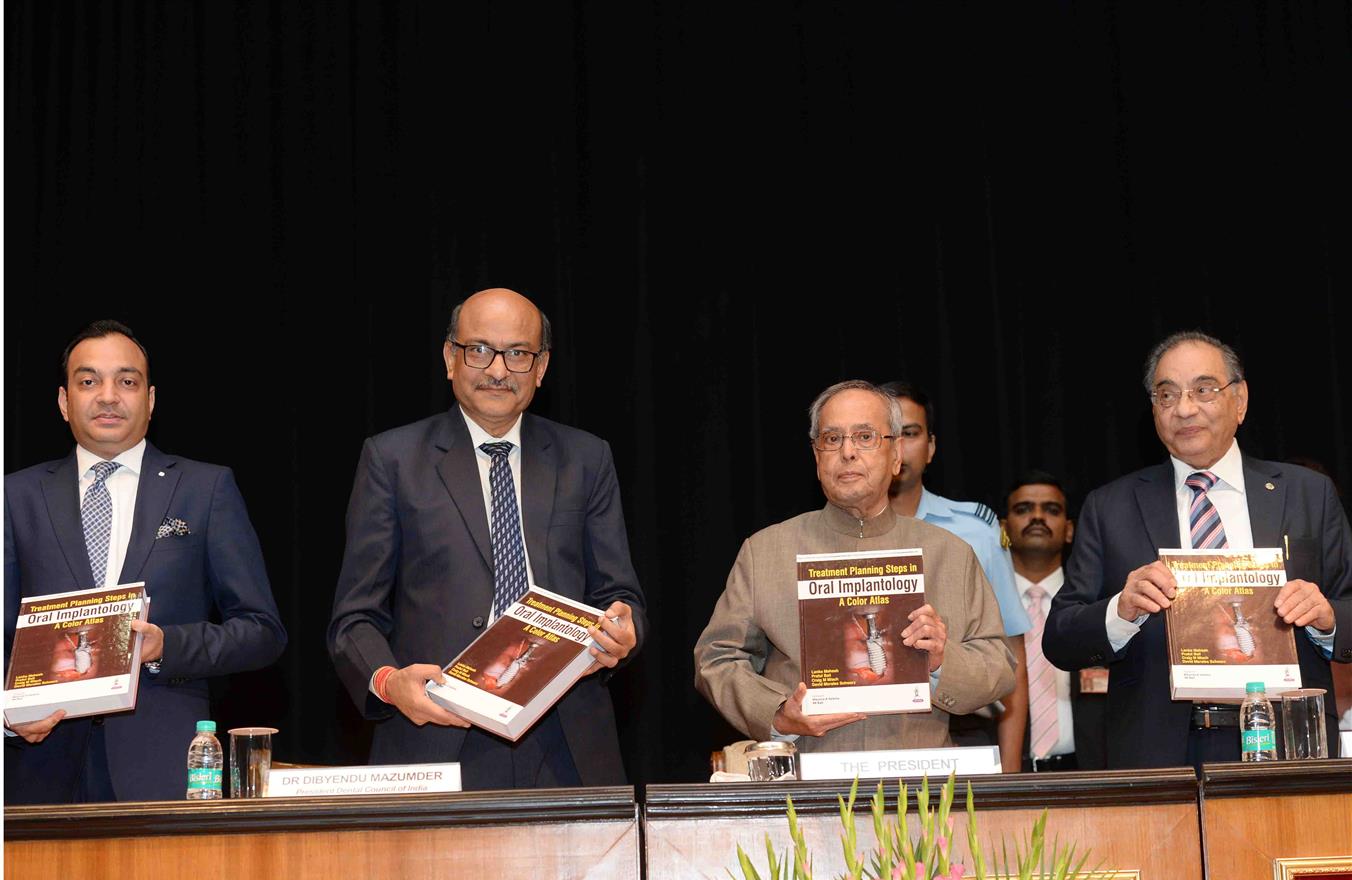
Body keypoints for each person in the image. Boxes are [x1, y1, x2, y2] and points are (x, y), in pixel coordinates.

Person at [328, 288, 645, 790]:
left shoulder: (586, 459)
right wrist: (390, 682)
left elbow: (620, 596)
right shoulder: (392, 460)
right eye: (479, 349)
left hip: (568, 743)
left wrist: (623, 632)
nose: (498, 369)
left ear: (541, 368)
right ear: (450, 358)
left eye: (518, 354)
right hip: (435, 730)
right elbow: (354, 619)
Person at [4, 320, 287, 803]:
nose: (108, 396)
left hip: (163, 764)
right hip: (38, 766)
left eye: (127, 381)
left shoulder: (205, 489)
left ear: (151, 400)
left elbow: (263, 631)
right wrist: (8, 715)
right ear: (63, 401)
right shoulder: (15, 496)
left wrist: (166, 646)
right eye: (88, 381)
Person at [1043, 331, 1351, 768]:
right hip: (1157, 752)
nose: (1184, 408)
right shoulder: (1110, 506)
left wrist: (1327, 618)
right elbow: (1060, 638)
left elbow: (1348, 607)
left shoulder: (1307, 494)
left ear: (1239, 400)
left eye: (1204, 390)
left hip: (1285, 743)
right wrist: (1120, 610)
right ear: (1153, 410)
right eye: (1166, 395)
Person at [693, 380, 1015, 753]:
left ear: (895, 456)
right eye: (831, 439)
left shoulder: (950, 554)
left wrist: (942, 659)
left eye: (865, 437)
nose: (847, 452)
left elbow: (998, 666)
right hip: (806, 783)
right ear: (816, 458)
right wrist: (776, 712)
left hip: (919, 785)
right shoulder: (766, 552)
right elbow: (717, 657)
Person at [879, 381, 1031, 773]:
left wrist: (1010, 772)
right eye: (883, 434)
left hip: (964, 730)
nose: (897, 446)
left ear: (930, 447)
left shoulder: (974, 531)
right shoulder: (829, 539)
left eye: (909, 433)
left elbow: (1012, 655)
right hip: (864, 733)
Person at [1002, 470, 1106, 771]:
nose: (1037, 517)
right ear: (1004, 528)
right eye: (1023, 509)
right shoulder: (984, 606)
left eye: (1051, 509)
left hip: (1090, 773)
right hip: (1006, 773)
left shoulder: (1097, 606)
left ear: (1070, 529)